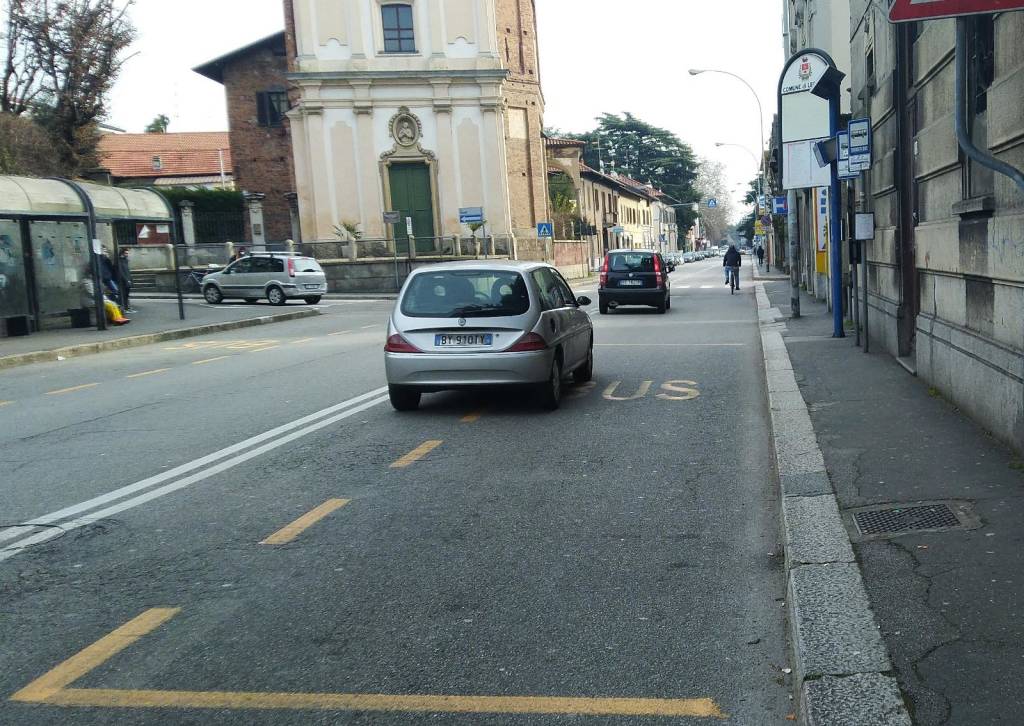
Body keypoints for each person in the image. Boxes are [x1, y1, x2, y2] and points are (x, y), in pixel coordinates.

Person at [117, 246, 135, 313]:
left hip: (128, 280)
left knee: (127, 295)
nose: (127, 255)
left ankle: (127, 308)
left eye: (127, 253)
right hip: (123, 281)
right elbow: (121, 272)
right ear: (122, 253)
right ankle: (124, 308)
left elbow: (127, 270)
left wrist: (130, 279)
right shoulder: (119, 261)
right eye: (126, 253)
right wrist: (126, 279)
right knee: (123, 295)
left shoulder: (126, 260)